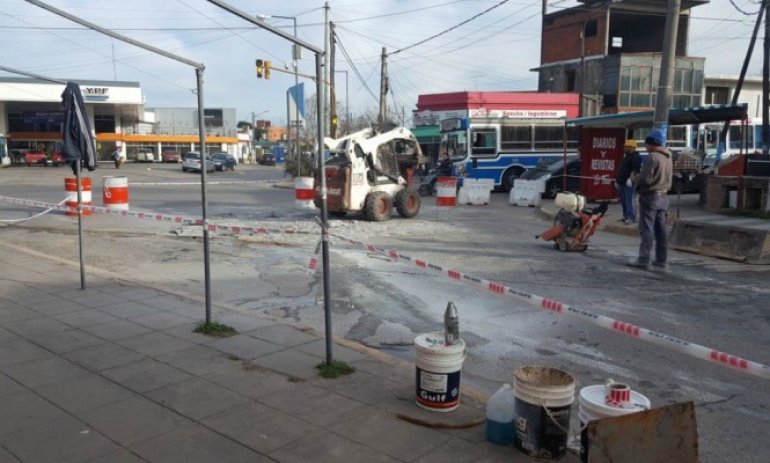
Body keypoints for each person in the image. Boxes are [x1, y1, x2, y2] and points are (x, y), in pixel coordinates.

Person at [627, 129, 673, 271]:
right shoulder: (668, 156)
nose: (645, 147)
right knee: (661, 231)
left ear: (652, 143)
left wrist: (634, 177)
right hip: (664, 197)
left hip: (650, 196)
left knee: (647, 228)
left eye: (646, 144)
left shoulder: (653, 157)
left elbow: (646, 179)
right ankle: (661, 260)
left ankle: (643, 259)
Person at [616, 139, 642, 224]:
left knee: (629, 200)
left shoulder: (636, 157)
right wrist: (617, 181)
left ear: (631, 147)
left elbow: (635, 170)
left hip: (629, 183)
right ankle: (626, 215)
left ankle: (631, 217)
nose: (624, 148)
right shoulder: (627, 156)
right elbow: (622, 169)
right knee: (623, 200)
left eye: (626, 146)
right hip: (622, 182)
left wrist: (630, 179)